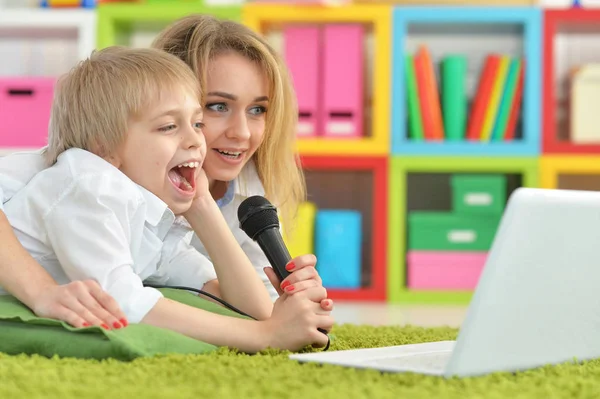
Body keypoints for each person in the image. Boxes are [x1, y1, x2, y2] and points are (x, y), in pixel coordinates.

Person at [0, 13, 333, 327]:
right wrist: (40, 290)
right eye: (217, 106)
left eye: (258, 109)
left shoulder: (245, 193)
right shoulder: (79, 169)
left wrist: (294, 304)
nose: (243, 133)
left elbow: (260, 308)